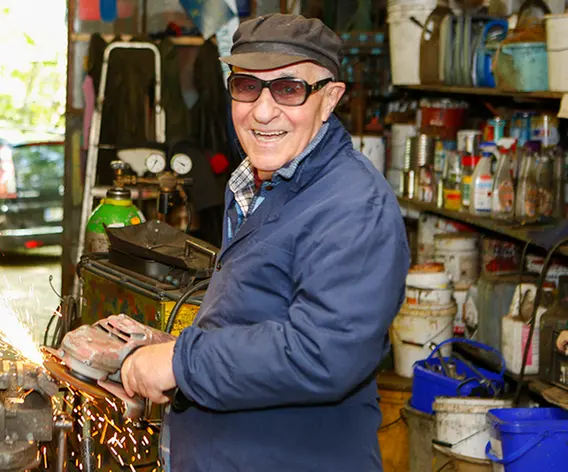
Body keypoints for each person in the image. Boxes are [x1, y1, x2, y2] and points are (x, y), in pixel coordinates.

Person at [120, 14, 410, 471]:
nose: (262, 110)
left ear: (329, 99)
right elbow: (258, 311)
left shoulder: (353, 205)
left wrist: (182, 361)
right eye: (247, 86)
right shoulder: (256, 184)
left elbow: (324, 352)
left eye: (290, 89)